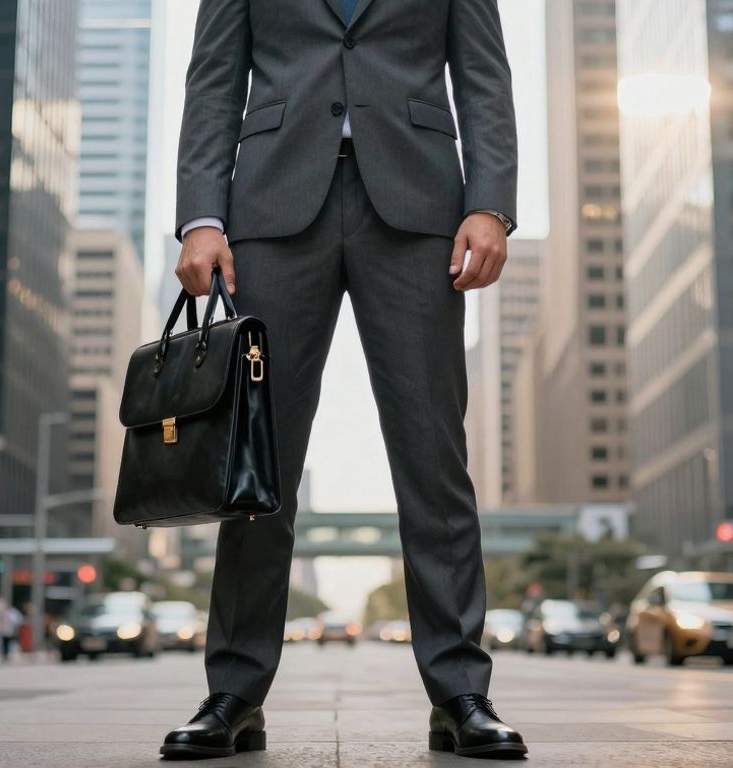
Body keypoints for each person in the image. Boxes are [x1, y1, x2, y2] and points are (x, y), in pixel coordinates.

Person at [163, 0, 522, 760]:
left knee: (434, 461)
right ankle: (234, 690)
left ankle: (461, 690)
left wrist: (489, 203)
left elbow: (485, 78)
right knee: (257, 464)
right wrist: (201, 214)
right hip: (271, 209)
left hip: (421, 211)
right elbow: (214, 84)